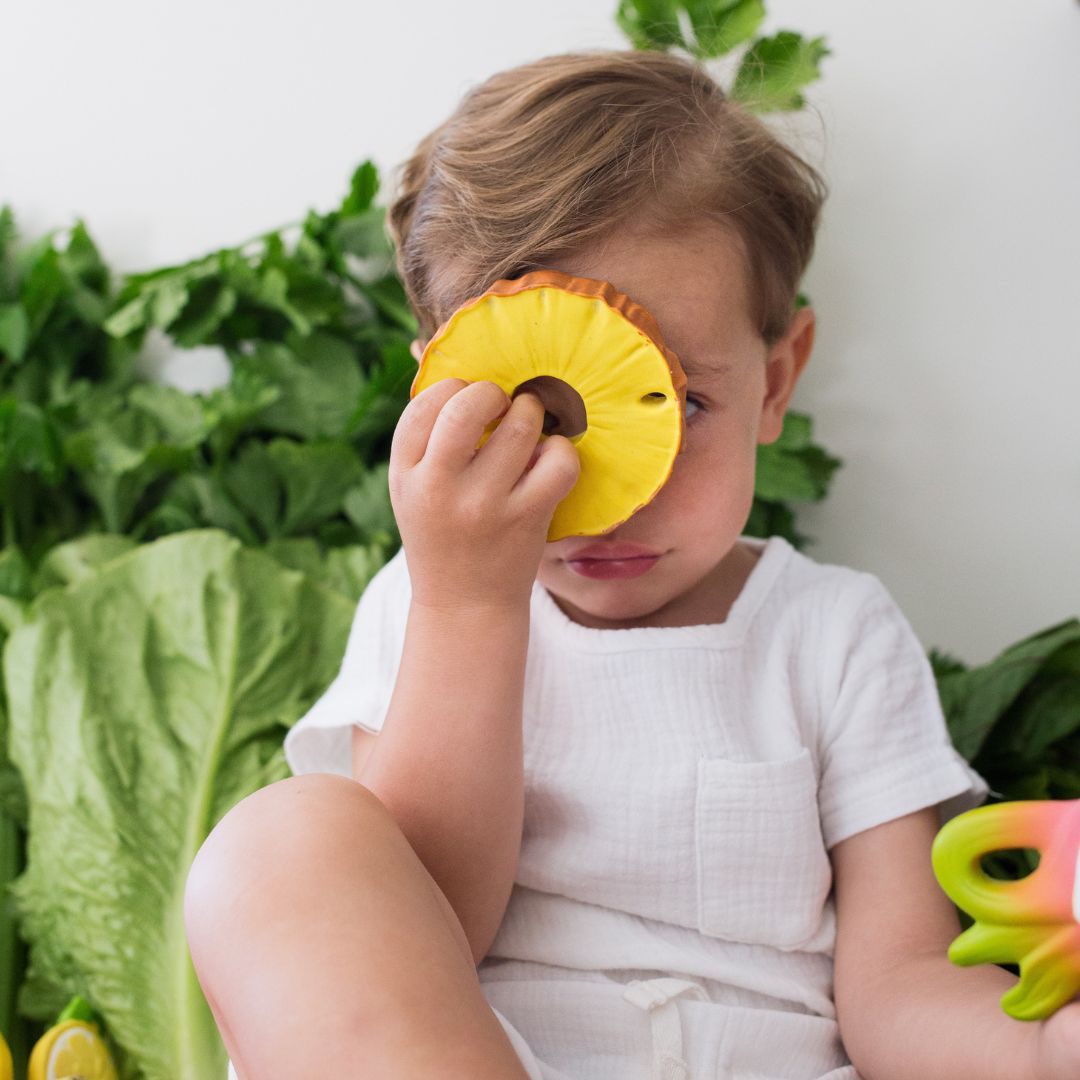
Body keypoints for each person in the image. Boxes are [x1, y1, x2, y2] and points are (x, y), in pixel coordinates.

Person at [183, 48, 1080, 1080]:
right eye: (539, 413)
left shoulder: (833, 634)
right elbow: (431, 929)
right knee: (281, 844)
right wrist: (470, 604)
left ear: (777, 379)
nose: (609, 485)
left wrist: (1044, 1051)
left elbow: (901, 986)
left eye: (678, 405)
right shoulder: (421, 603)